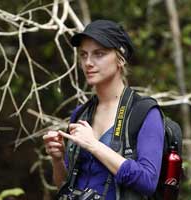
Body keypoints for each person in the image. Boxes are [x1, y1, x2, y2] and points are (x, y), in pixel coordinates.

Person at [43, 20, 164, 200]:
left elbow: (147, 181)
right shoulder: (81, 114)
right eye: (83, 55)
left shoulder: (144, 113)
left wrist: (93, 145)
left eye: (99, 54)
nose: (88, 62)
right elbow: (64, 185)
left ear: (120, 59)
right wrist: (58, 159)